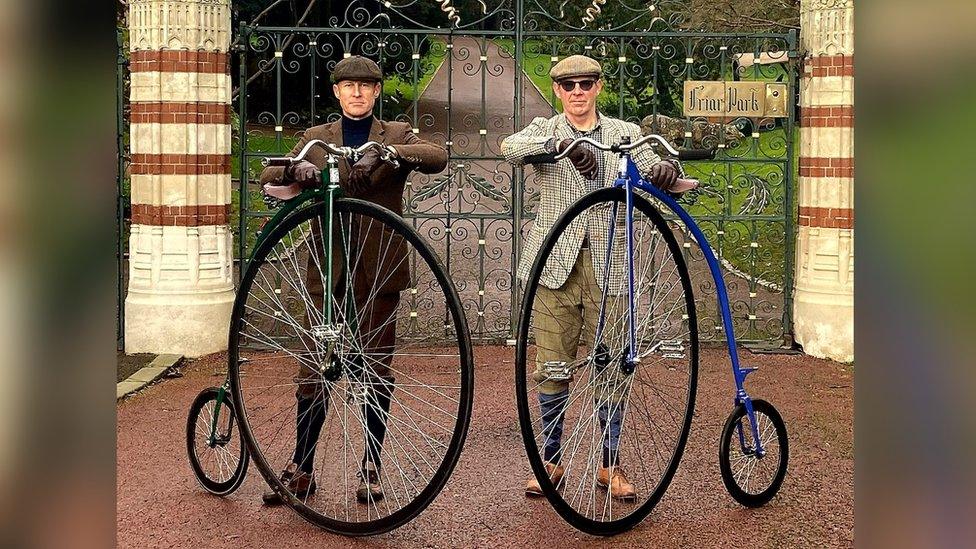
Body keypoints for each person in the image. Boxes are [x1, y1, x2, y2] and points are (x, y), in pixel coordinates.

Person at [258, 56, 448, 505]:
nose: (358, 93)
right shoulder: (317, 139)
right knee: (314, 366)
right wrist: (295, 170)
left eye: (366, 86)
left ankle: (371, 466)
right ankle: (301, 466)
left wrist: (389, 153)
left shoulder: (395, 133)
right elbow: (269, 173)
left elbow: (436, 154)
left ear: (377, 92)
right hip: (329, 271)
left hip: (379, 267)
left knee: (376, 366)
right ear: (337, 92)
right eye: (349, 86)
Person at [502, 55, 687, 500]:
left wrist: (665, 170)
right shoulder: (545, 129)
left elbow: (656, 162)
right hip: (554, 266)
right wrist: (562, 148)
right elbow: (510, 148)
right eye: (569, 86)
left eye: (586, 83)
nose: (578, 92)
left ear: (599, 87)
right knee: (553, 365)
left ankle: (610, 463)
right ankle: (550, 459)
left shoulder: (625, 134)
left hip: (612, 266)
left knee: (614, 368)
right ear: (558, 92)